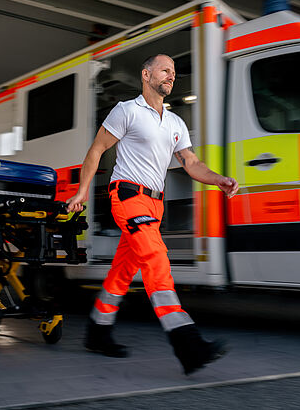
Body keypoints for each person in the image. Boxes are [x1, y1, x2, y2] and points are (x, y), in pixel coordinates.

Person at [67, 54, 239, 375]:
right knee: (156, 258)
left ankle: (97, 331)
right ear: (146, 75)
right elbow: (96, 150)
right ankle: (188, 344)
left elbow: (190, 162)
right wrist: (81, 192)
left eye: (174, 72)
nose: (171, 76)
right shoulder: (127, 111)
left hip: (155, 205)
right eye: (165, 70)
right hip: (128, 196)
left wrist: (218, 180)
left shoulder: (175, 123)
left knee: (122, 272)